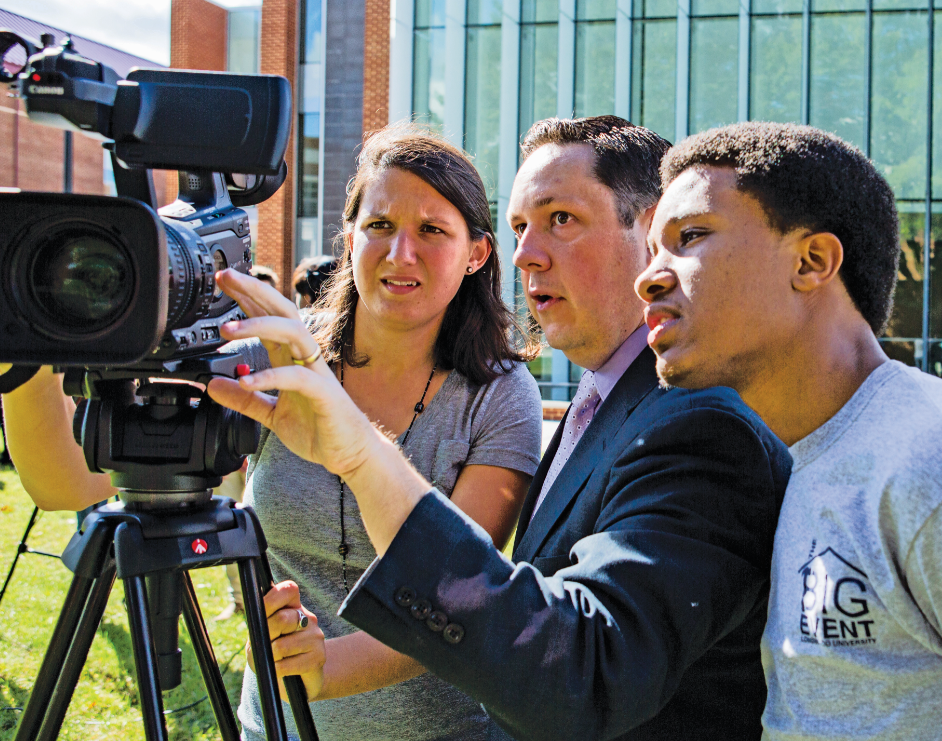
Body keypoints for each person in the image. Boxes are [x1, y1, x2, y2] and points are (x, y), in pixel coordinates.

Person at [207, 116, 792, 740]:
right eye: (521, 227)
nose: (528, 254)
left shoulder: (697, 423)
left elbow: (586, 669)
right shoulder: (602, 399)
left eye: (560, 219)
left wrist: (357, 454)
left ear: (649, 231)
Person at [1, 124, 544, 741]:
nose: (401, 254)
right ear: (349, 238)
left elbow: (462, 595)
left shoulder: (500, 393)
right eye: (380, 226)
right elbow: (65, 483)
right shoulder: (276, 351)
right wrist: (23, 357)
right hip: (275, 727)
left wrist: (324, 667)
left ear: (476, 253)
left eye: (432, 230)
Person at [634, 121, 942, 740]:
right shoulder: (784, 461)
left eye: (689, 237)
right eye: (649, 254)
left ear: (811, 261)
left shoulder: (922, 461)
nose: (648, 279)